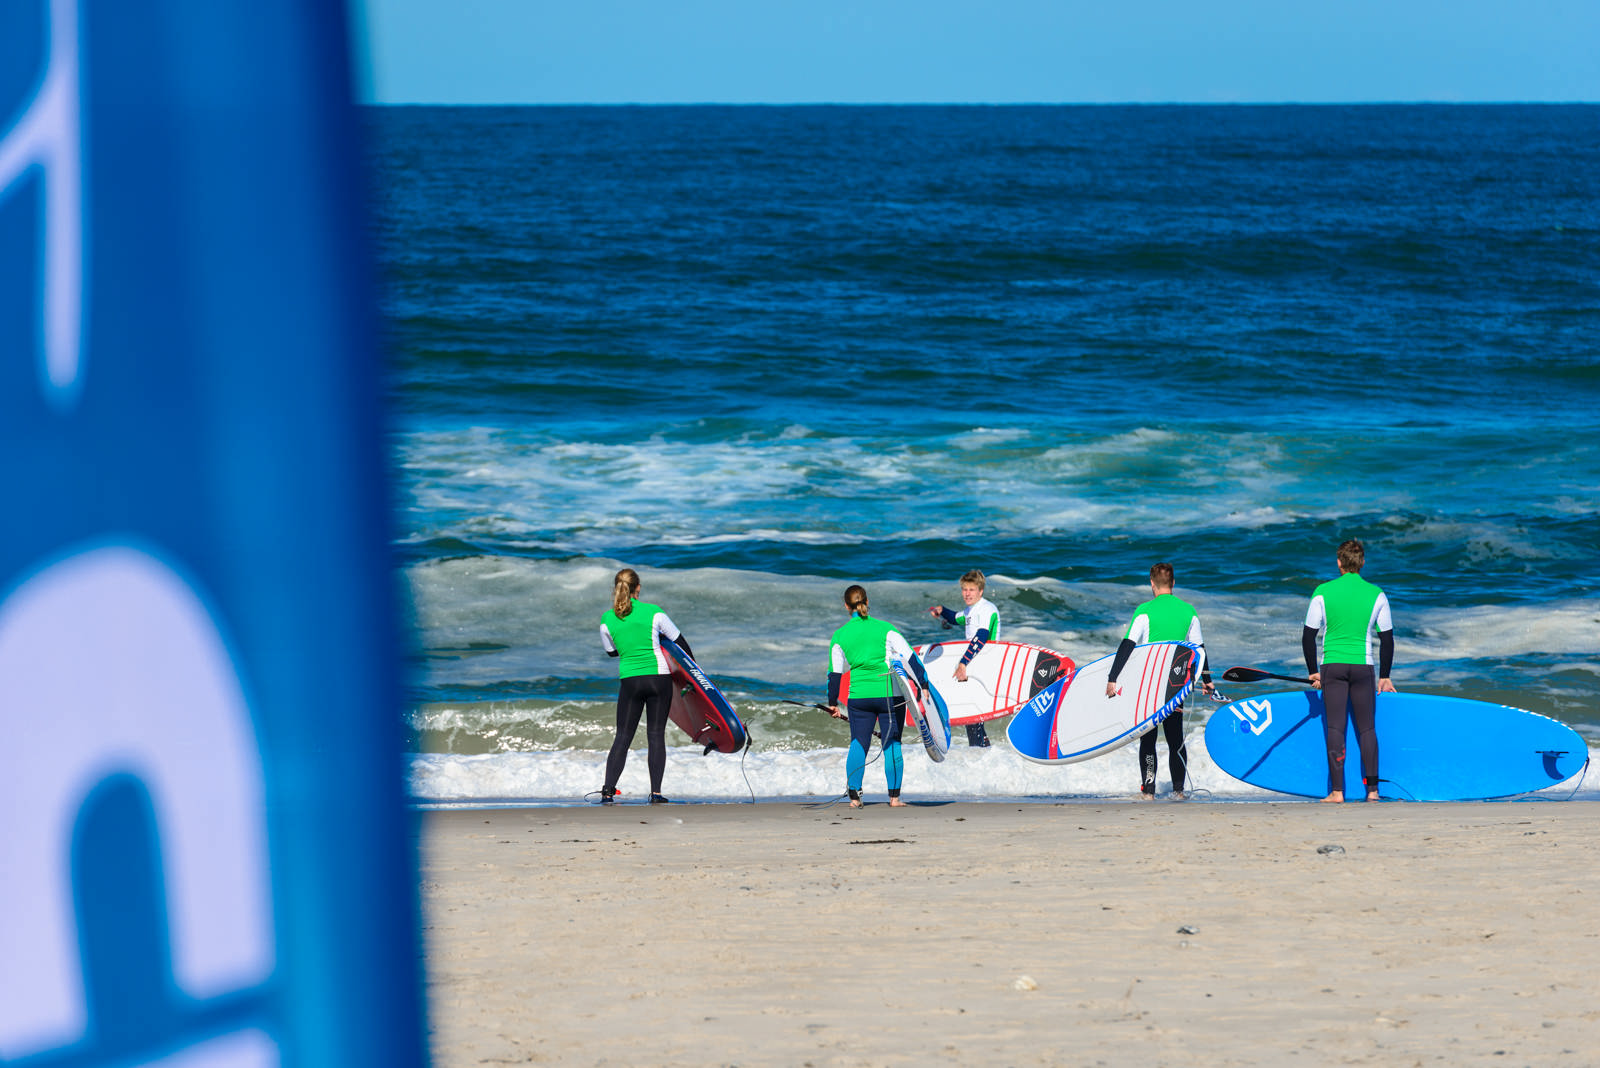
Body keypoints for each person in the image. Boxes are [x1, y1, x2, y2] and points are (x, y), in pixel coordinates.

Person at [1104, 563, 1215, 800]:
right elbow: (1199, 649)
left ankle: (1149, 792)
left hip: (1149, 686)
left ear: (1151, 584)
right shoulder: (1188, 611)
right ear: (1173, 583)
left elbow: (1127, 645)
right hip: (1176, 684)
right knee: (1176, 738)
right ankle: (1178, 791)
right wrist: (1207, 680)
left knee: (1148, 738)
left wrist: (1113, 678)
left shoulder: (1144, 611)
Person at [1303, 539, 1396, 803]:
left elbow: (1308, 636)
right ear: (1363, 562)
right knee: (1367, 729)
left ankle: (1337, 792)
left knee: (1336, 728)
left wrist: (1313, 672)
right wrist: (1385, 676)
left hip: (1333, 666)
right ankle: (1373, 791)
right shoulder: (1376, 594)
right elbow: (1387, 639)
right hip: (1364, 667)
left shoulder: (1323, 592)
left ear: (1339, 563)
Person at [828, 584, 929, 808]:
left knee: (858, 743)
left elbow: (834, 675)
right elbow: (910, 658)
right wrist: (922, 683)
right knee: (892, 743)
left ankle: (854, 798)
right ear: (867, 601)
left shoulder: (839, 636)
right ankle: (894, 798)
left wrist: (833, 703)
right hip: (889, 696)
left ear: (846, 606)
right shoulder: (886, 629)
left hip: (859, 698)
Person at [597, 567, 689, 805]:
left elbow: (611, 652)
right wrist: (693, 679)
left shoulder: (607, 619)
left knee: (623, 736)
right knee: (656, 735)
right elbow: (681, 645)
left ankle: (608, 792)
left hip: (630, 681)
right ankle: (656, 794)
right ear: (638, 588)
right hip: (659, 678)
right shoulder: (654, 613)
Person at [927, 569, 1000, 748]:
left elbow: (982, 636)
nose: (967, 594)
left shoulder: (986, 609)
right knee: (972, 718)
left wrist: (963, 662)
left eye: (971, 590)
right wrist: (942, 610)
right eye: (964, 589)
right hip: (975, 662)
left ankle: (980, 753)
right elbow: (955, 618)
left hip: (985, 663)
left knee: (973, 714)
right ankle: (982, 753)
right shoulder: (970, 610)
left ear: (980, 591)